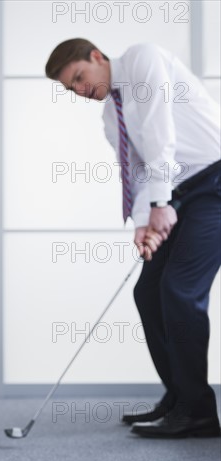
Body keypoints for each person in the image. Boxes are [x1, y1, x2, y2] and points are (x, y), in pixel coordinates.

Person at [45, 39, 221, 438]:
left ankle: (198, 411)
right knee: (147, 291)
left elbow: (161, 134)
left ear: (96, 57)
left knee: (179, 290)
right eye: (72, 89)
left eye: (79, 78)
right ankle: (179, 396)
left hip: (214, 181)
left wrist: (160, 202)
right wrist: (144, 223)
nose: (81, 91)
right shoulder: (112, 115)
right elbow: (138, 171)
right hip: (175, 194)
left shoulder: (144, 59)